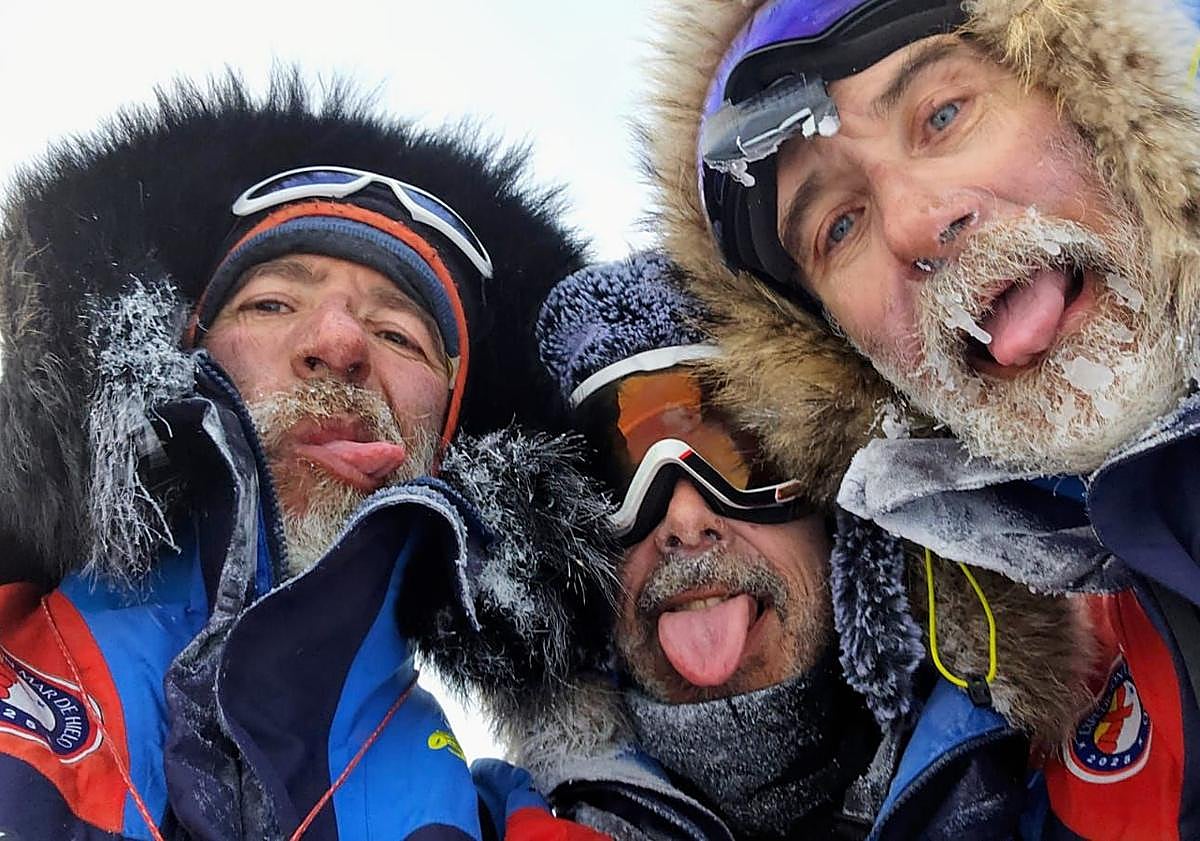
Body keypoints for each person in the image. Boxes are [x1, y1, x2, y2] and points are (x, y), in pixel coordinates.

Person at [0, 74, 616, 841]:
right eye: (272, 304)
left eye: (399, 335)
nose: (339, 344)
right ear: (183, 346)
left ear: (450, 444)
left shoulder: (493, 821)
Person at [645, 1, 1200, 837]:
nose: (914, 224)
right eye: (839, 227)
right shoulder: (1006, 752)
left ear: (1102, 85)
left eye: (943, 114)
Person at [495, 251, 1095, 840]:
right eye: (617, 479)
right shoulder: (500, 823)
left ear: (842, 509)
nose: (683, 517)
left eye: (745, 453)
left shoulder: (1080, 777)